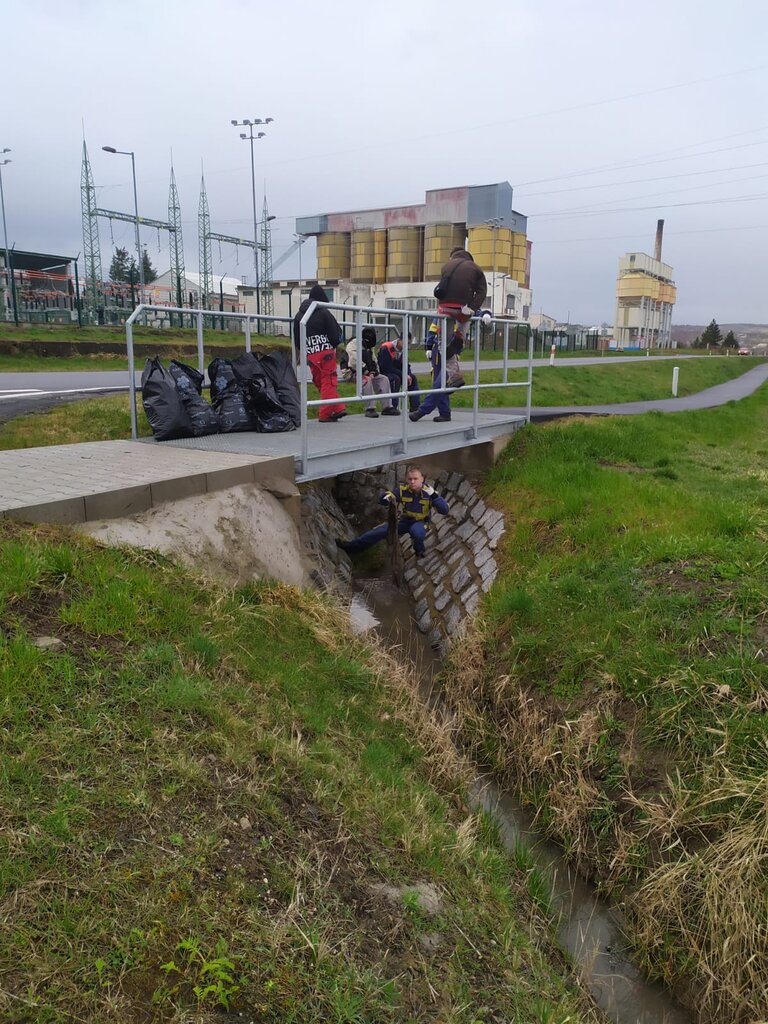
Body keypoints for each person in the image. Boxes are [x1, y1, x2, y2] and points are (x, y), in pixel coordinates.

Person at [410, 248, 487, 424]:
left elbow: (480, 311)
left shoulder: (446, 268)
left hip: (444, 329)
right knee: (440, 377)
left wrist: (430, 344)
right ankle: (444, 413)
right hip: (441, 343)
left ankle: (423, 410)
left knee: (442, 379)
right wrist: (472, 308)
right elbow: (481, 294)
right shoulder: (475, 271)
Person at [337, 466, 448, 558]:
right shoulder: (403, 490)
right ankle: (351, 547)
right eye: (410, 479)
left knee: (416, 532)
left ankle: (419, 550)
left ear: (422, 479)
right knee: (377, 532)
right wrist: (385, 497)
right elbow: (386, 498)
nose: (412, 481)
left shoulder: (430, 492)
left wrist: (434, 496)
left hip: (421, 522)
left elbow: (444, 510)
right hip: (405, 522)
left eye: (415, 478)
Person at [292, 283, 346, 423]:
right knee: (329, 381)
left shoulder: (299, 316)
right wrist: (335, 343)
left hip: (310, 354)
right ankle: (325, 414)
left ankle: (338, 407)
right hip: (326, 352)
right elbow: (335, 336)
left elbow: (297, 340)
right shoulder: (324, 312)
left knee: (320, 381)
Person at [345, 327, 400, 418]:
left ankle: (387, 407)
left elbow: (374, 360)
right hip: (351, 372)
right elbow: (354, 362)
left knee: (384, 379)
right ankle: (369, 408)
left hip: (366, 372)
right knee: (367, 380)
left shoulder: (369, 345)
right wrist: (367, 372)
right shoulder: (353, 344)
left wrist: (374, 372)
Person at [378, 332, 420, 412]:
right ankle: (392, 407)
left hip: (398, 372)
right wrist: (403, 375)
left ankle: (415, 407)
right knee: (395, 379)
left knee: (412, 378)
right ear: (399, 340)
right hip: (386, 372)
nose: (407, 345)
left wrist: (408, 374)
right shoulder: (386, 348)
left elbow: (406, 365)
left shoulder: (404, 350)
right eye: (406, 342)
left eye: (408, 343)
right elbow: (386, 367)